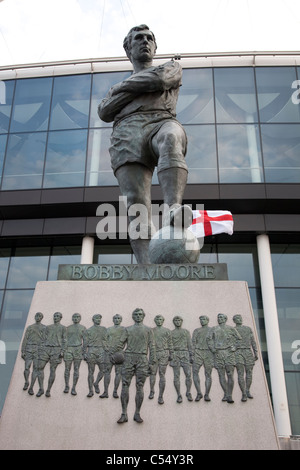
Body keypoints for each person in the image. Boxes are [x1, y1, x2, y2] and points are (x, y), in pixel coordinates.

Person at [98, 24, 192, 264]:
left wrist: (122, 88)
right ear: (128, 49)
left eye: (149, 38)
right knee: (136, 203)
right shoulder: (116, 90)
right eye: (138, 38)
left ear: (155, 46)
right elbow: (105, 110)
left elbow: (161, 79)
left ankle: (173, 209)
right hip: (126, 134)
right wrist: (143, 84)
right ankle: (145, 267)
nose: (145, 41)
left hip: (162, 120)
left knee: (170, 138)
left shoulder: (171, 67)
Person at [117, 308, 156, 424]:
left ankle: (137, 413)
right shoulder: (127, 329)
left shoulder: (148, 330)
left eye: (140, 314)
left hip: (142, 358)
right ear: (133, 317)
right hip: (129, 358)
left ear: (143, 316)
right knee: (125, 384)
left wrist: (151, 362)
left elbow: (152, 347)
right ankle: (124, 413)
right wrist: (119, 356)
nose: (138, 316)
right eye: (136, 314)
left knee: (140, 385)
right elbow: (120, 344)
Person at [208, 313, 241, 404]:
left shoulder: (231, 328)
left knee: (230, 374)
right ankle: (226, 394)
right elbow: (209, 339)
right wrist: (212, 348)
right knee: (221, 375)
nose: (220, 319)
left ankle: (230, 394)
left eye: (221, 317)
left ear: (225, 319)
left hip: (229, 353)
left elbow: (239, 339)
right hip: (218, 353)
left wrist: (234, 347)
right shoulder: (214, 329)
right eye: (218, 317)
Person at [36, 312, 67, 398]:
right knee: (39, 367)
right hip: (46, 348)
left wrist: (63, 351)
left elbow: (65, 340)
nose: (55, 317)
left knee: (52, 370)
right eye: (54, 316)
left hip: (56, 349)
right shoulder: (48, 327)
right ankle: (41, 388)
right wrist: (41, 349)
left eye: (57, 316)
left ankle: (48, 390)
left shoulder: (63, 328)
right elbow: (43, 339)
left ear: (60, 318)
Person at [149, 314, 174, 404]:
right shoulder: (151, 330)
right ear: (155, 321)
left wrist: (171, 353)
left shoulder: (167, 331)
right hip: (154, 353)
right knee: (152, 373)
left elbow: (170, 343)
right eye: (157, 319)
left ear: (163, 321)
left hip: (164, 353)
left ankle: (160, 396)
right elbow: (148, 343)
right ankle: (152, 391)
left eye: (160, 319)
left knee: (162, 374)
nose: (159, 321)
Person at [233, 314, 258, 401]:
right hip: (238, 352)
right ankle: (243, 393)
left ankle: (247, 390)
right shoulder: (233, 330)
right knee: (240, 373)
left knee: (249, 372)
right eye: (237, 318)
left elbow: (253, 341)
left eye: (240, 318)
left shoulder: (248, 329)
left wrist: (256, 353)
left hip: (248, 351)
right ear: (234, 320)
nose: (239, 319)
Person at [100, 314, 126, 399]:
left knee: (118, 373)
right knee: (107, 372)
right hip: (108, 353)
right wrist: (106, 348)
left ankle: (115, 391)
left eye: (118, 318)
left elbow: (123, 341)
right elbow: (104, 340)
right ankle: (106, 391)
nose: (117, 320)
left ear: (121, 320)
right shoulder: (109, 329)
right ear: (113, 319)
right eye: (115, 318)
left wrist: (116, 349)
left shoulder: (124, 330)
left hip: (119, 353)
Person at [21, 312, 46, 395]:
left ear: (41, 318)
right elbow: (25, 339)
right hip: (29, 348)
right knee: (27, 367)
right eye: (36, 316)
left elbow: (45, 340)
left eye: (39, 316)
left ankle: (31, 387)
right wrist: (23, 350)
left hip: (38, 350)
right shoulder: (30, 327)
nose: (37, 317)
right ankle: (26, 382)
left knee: (36, 369)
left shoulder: (44, 328)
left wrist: (42, 350)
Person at [170, 316, 193, 403]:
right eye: (176, 320)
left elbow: (190, 344)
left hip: (185, 354)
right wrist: (171, 354)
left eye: (179, 320)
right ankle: (179, 394)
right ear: (173, 322)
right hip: (176, 354)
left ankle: (188, 392)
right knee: (176, 375)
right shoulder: (171, 333)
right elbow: (170, 345)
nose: (177, 322)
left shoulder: (186, 332)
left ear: (182, 321)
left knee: (188, 374)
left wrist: (192, 355)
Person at [83, 314, 107, 398]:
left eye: (99, 319)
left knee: (103, 370)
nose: (98, 320)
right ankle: (90, 391)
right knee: (91, 372)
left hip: (101, 350)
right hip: (91, 350)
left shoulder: (104, 329)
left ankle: (96, 383)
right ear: (93, 320)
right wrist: (84, 353)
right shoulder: (88, 330)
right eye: (96, 318)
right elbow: (85, 343)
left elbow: (106, 340)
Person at [192, 315, 214, 402]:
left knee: (208, 374)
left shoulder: (212, 330)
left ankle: (207, 394)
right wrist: (192, 354)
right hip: (198, 352)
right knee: (195, 372)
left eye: (204, 319)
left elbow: (215, 342)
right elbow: (193, 342)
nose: (202, 321)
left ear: (208, 320)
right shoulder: (196, 330)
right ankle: (199, 393)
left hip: (208, 353)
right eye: (201, 319)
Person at [63, 313, 86, 396]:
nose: (76, 318)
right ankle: (66, 386)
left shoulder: (83, 328)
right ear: (72, 318)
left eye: (77, 317)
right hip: (69, 349)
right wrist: (63, 350)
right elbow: (64, 340)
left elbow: (85, 341)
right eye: (74, 317)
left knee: (76, 369)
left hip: (78, 349)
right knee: (67, 369)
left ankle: (73, 387)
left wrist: (84, 351)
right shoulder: (67, 328)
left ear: (80, 318)